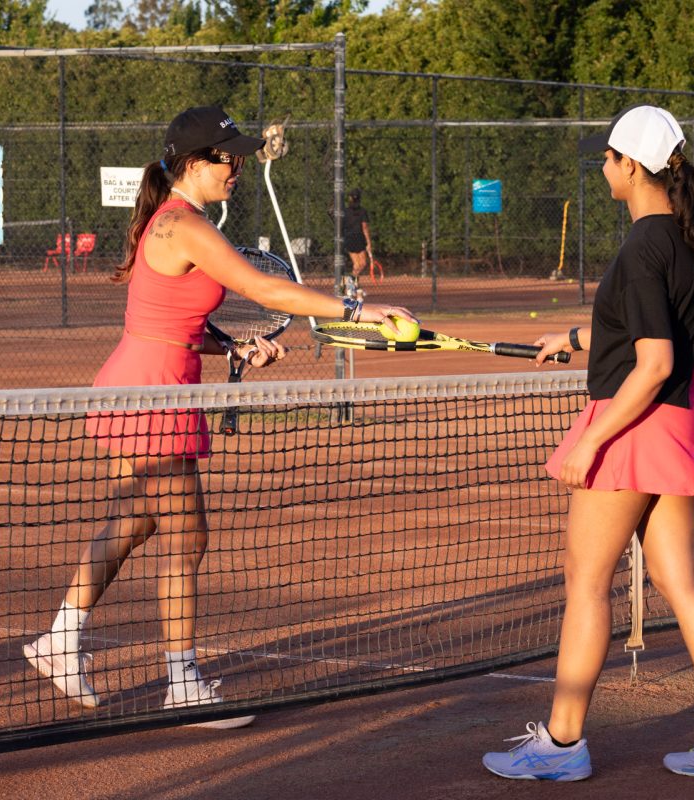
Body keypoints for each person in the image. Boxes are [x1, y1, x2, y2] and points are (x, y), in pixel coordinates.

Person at [24, 105, 416, 726]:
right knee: (187, 535)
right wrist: (356, 310)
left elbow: (174, 321)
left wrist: (231, 347)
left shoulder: (177, 220)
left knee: (137, 520)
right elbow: (269, 292)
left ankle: (59, 640)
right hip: (151, 391)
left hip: (152, 378)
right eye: (225, 158)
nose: (237, 167)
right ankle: (182, 685)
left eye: (237, 157)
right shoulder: (183, 224)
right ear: (191, 163)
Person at [481, 105, 694, 781]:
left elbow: (656, 360)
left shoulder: (640, 247)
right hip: (676, 426)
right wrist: (578, 340)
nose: (603, 167)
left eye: (608, 158)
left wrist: (590, 443)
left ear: (630, 166)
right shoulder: (675, 241)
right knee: (683, 581)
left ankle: (562, 743)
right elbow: (651, 331)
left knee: (586, 582)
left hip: (634, 427)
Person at [341, 188, 373, 294]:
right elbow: (364, 227)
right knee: (361, 264)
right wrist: (368, 242)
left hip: (351, 238)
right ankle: (350, 281)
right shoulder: (361, 211)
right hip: (357, 238)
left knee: (358, 264)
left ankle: (353, 285)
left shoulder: (346, 212)